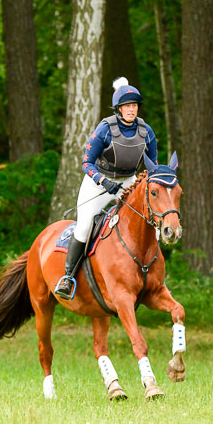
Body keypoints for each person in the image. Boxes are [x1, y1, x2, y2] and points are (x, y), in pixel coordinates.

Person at [54, 77, 158, 299]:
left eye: (134, 105)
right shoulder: (105, 128)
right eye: (127, 106)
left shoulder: (146, 131)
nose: (131, 110)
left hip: (129, 181)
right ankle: (68, 277)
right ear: (119, 109)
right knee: (84, 226)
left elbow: (153, 165)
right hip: (98, 182)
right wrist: (103, 181)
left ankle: (153, 276)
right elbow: (86, 163)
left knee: (151, 221)